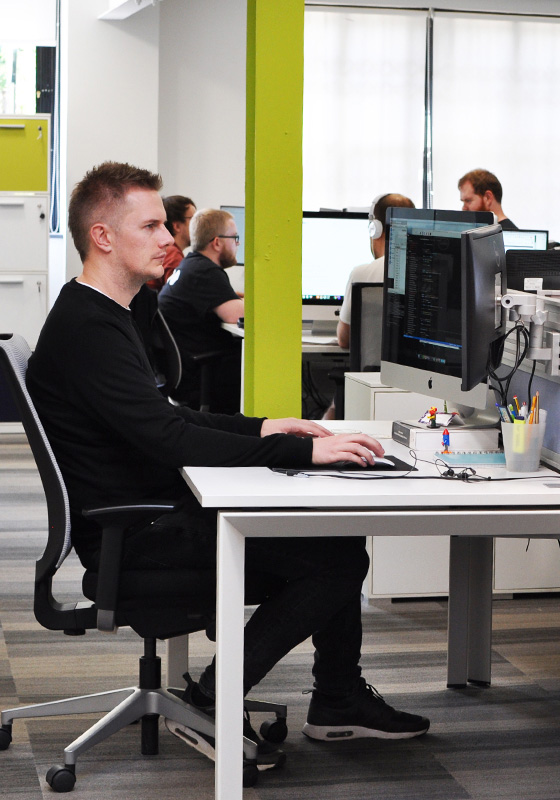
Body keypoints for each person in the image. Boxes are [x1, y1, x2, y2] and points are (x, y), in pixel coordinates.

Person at [27, 161, 430, 772]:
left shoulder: (116, 310)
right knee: (337, 559)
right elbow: (167, 436)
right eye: (153, 226)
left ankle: (337, 699)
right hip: (138, 533)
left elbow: (171, 412)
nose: (172, 239)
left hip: (160, 507)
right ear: (103, 237)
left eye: (168, 225)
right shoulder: (87, 327)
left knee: (335, 534)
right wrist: (300, 450)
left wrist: (268, 427)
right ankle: (218, 700)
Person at [157, 207, 244, 413]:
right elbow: (237, 314)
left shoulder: (190, 265)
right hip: (200, 376)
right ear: (217, 242)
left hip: (181, 373)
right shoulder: (205, 271)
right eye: (235, 237)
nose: (238, 244)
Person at [336, 193, 415, 350]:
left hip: (370, 374)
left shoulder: (361, 274)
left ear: (375, 229)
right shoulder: (426, 271)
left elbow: (344, 339)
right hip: (416, 372)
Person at [147, 194, 195, 290]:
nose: (197, 225)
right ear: (177, 226)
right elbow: (180, 294)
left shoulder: (169, 251)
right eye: (193, 219)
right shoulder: (172, 253)